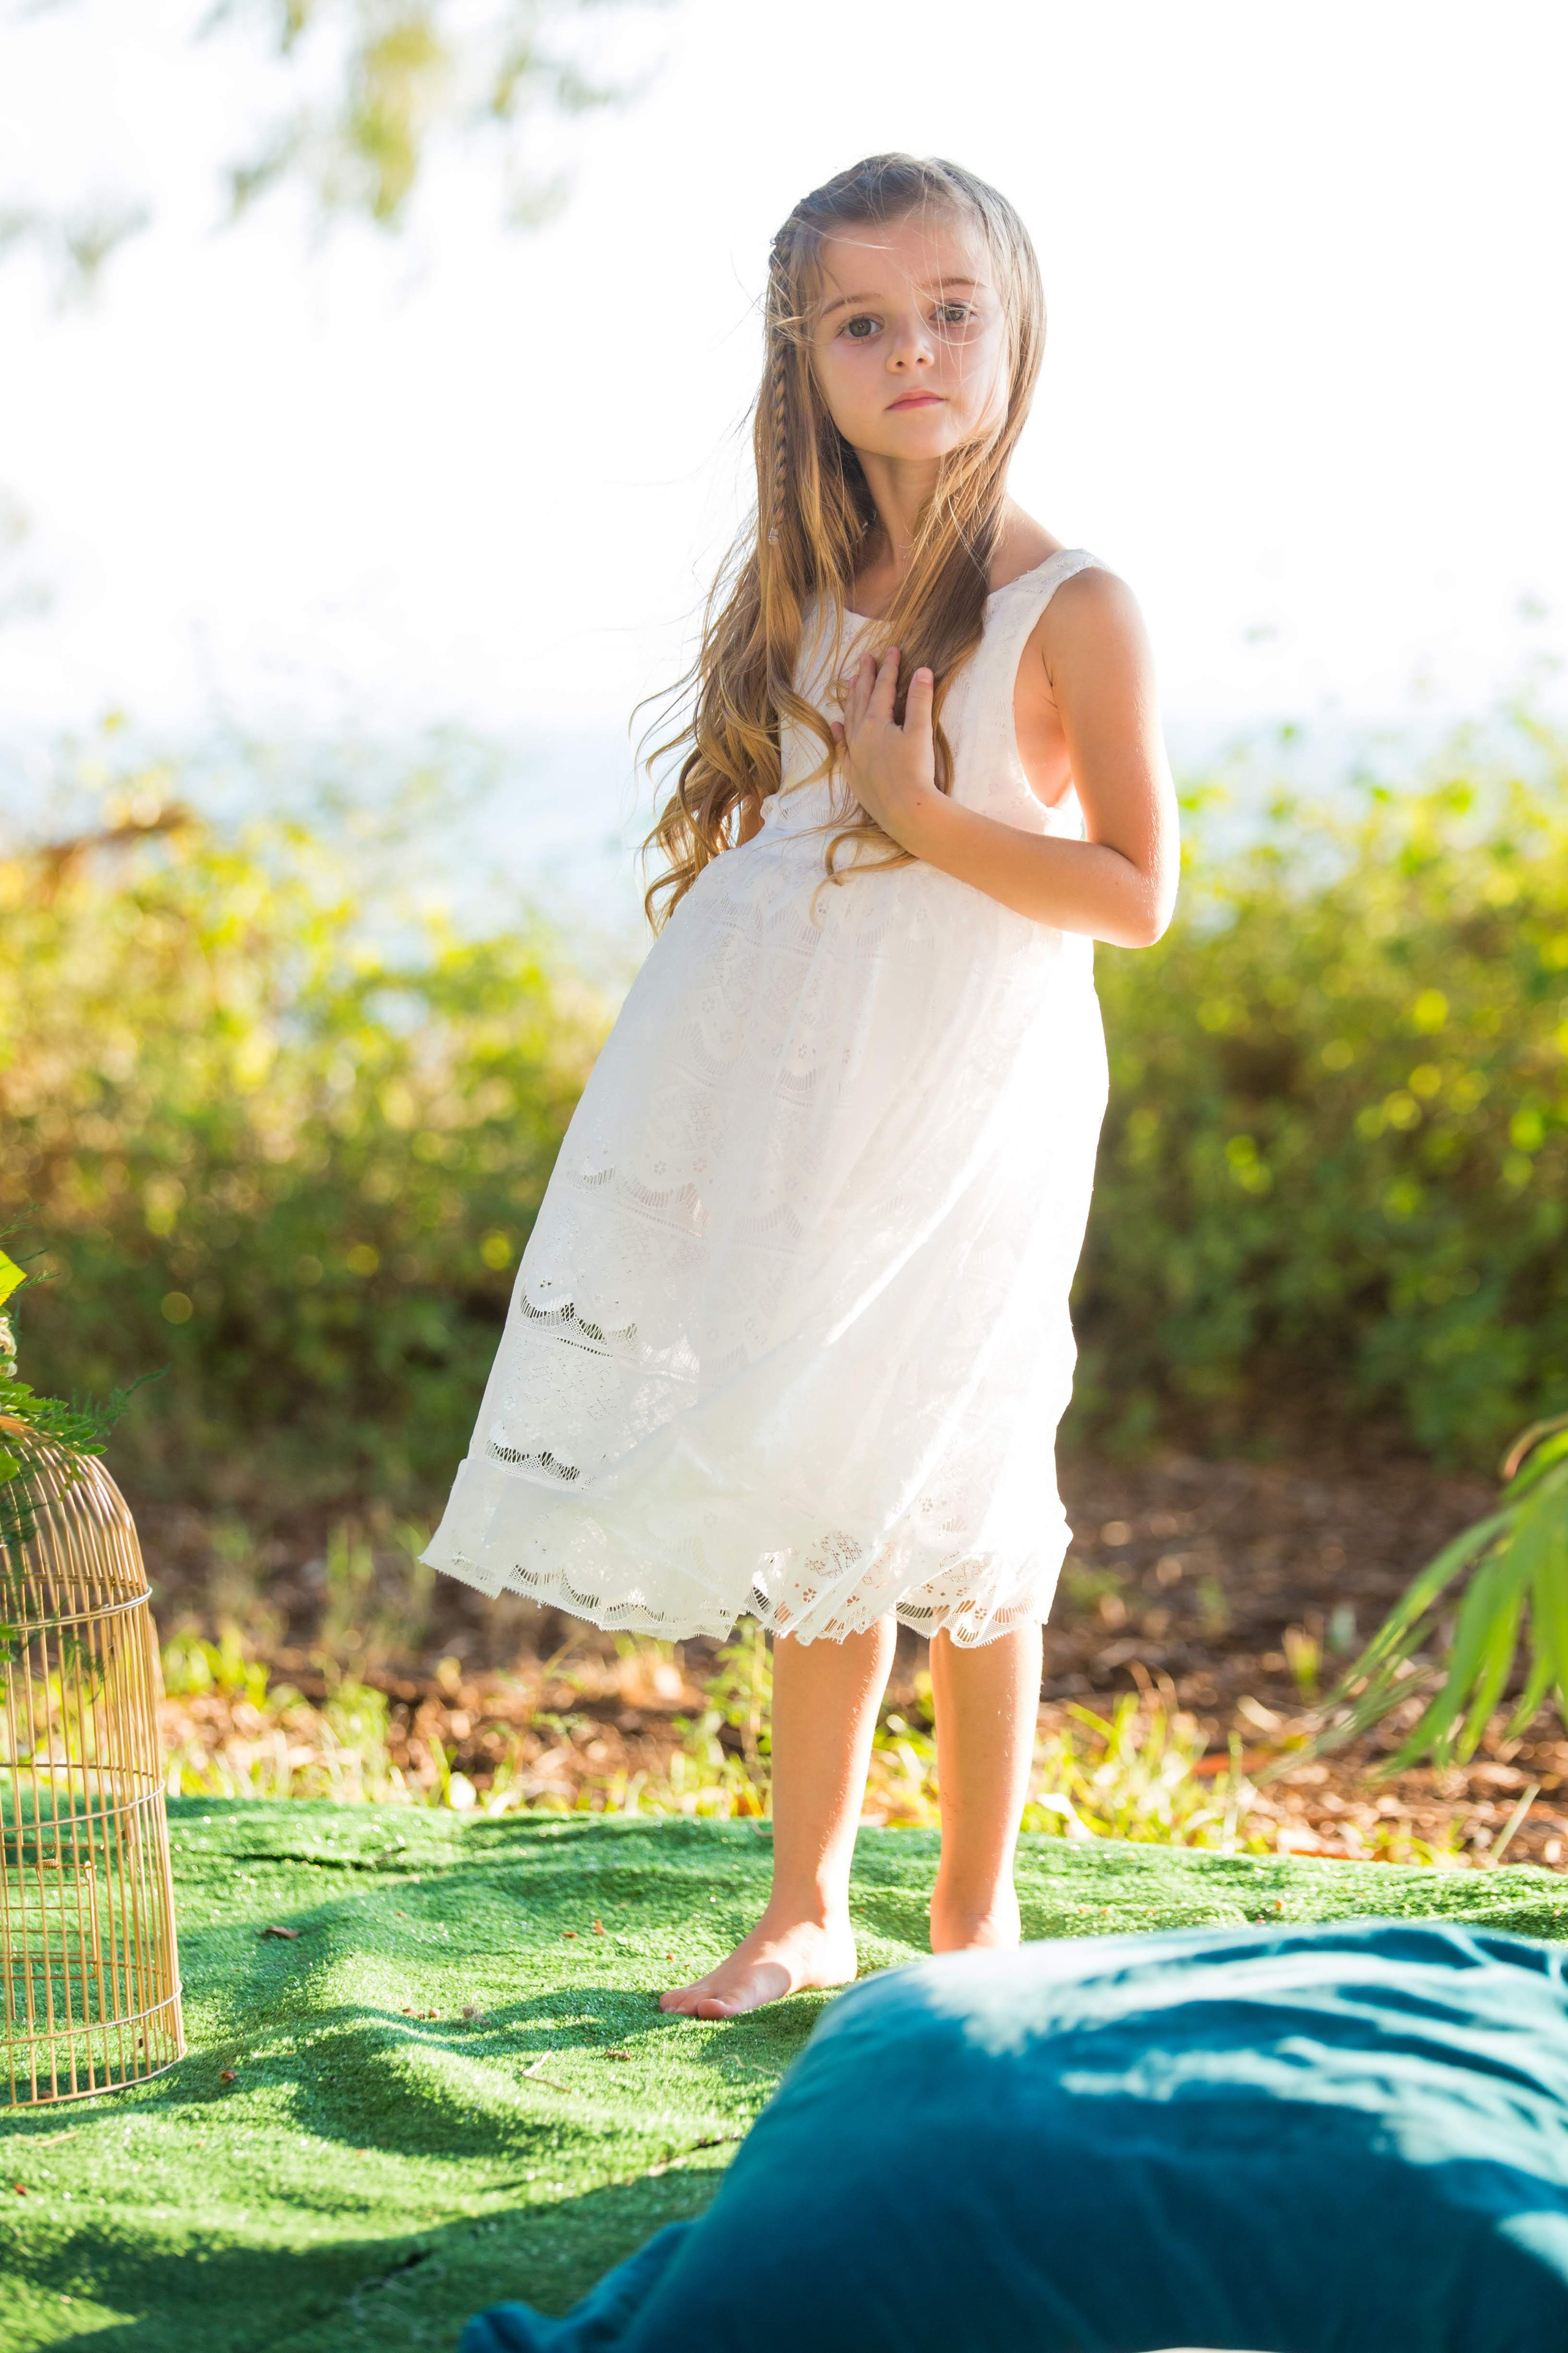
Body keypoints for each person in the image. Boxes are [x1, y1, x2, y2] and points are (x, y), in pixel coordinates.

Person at [423, 153, 1178, 2017]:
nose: (913, 349)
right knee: (817, 1453)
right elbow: (783, 835)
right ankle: (804, 1902)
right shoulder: (804, 585)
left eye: (950, 312)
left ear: (1014, 328)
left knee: (974, 1464)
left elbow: (1138, 893)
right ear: (808, 359)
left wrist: (923, 814)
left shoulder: (1073, 601)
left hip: (979, 1091)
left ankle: (974, 1908)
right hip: (803, 1083)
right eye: (864, 323)